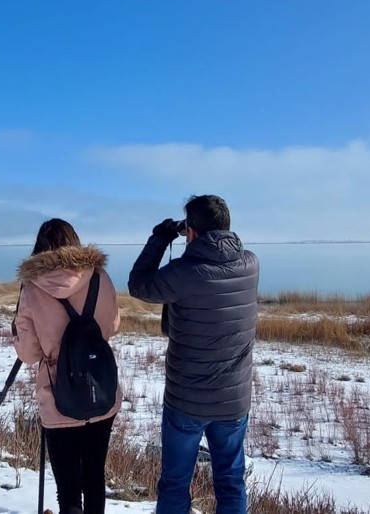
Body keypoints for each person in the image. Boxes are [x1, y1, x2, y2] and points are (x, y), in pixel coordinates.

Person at [128, 195, 259, 514]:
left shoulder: (184, 273)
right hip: (233, 400)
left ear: (192, 231)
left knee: (175, 483)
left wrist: (159, 239)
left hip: (186, 401)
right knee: (231, 481)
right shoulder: (250, 264)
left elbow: (138, 285)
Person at [13, 218, 123, 514]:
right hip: (101, 393)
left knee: (69, 491)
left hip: (59, 400)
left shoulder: (31, 289)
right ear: (75, 242)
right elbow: (112, 325)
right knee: (94, 477)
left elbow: (28, 353)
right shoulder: (100, 277)